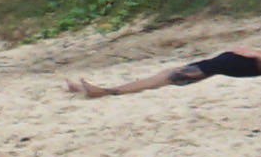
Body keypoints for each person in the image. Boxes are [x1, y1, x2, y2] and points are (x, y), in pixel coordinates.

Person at [69, 46, 261, 96]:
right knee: (164, 75)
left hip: (222, 65)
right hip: (219, 64)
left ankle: (105, 91)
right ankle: (95, 90)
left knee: (165, 78)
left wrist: (254, 54)